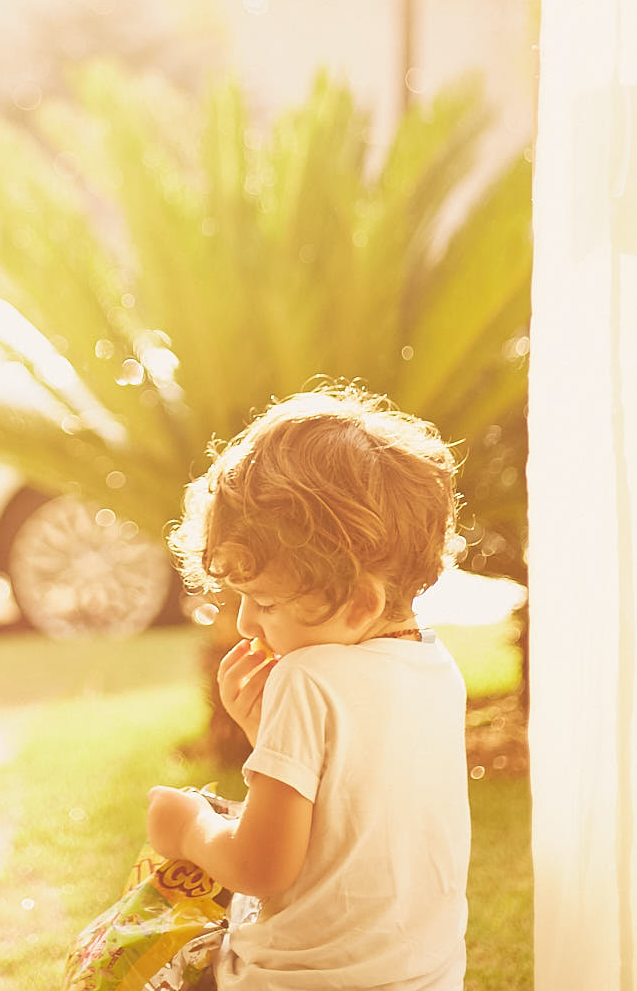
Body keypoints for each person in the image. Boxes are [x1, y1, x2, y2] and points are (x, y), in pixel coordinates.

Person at [145, 385, 471, 991]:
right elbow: (356, 813)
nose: (245, 623)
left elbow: (261, 867)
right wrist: (266, 739)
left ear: (358, 603)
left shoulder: (306, 677)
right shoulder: (436, 670)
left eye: (264, 602)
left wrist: (186, 827)